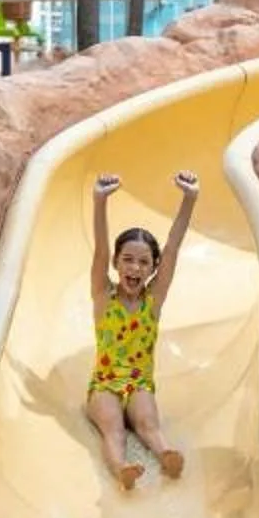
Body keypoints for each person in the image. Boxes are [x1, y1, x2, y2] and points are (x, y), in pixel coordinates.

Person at [87, 169, 199, 490]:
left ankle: (165, 454)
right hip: (105, 385)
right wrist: (100, 201)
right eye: (128, 260)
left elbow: (173, 249)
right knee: (113, 428)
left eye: (143, 263)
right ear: (117, 264)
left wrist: (189, 199)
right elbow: (99, 250)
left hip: (139, 383)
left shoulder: (154, 300)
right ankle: (122, 467)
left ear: (152, 268)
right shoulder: (103, 296)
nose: (135, 268)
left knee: (148, 423)